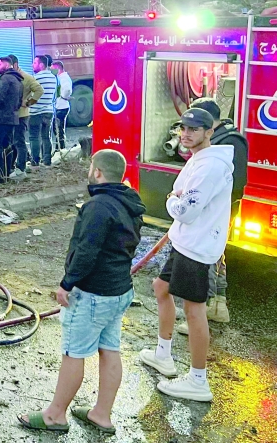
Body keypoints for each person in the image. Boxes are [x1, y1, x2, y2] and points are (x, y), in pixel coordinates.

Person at [18, 150, 144, 434]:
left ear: (98, 172)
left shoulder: (98, 206)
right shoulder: (130, 201)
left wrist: (67, 283)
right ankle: (101, 414)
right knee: (110, 349)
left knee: (73, 353)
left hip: (93, 294)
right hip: (119, 291)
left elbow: (87, 250)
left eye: (91, 167)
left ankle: (55, 416)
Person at [138, 107, 232, 402]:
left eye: (194, 129)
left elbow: (186, 210)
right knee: (160, 287)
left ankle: (198, 380)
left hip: (197, 245)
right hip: (186, 240)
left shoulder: (210, 166)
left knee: (194, 310)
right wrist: (177, 199)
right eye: (183, 128)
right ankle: (163, 355)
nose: (186, 134)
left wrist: (170, 202)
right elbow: (183, 195)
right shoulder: (200, 159)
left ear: (209, 132)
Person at [177, 99, 247, 329]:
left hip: (216, 213)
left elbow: (234, 183)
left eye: (194, 126)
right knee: (218, 257)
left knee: (209, 258)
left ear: (208, 124)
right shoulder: (223, 139)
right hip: (213, 211)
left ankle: (206, 308)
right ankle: (218, 306)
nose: (188, 132)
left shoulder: (229, 142)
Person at [0, 57, 23, 184]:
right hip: (11, 118)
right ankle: (7, 173)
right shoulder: (18, 79)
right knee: (7, 146)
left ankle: (0, 175)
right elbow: (20, 100)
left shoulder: (5, 78)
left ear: (7, 65)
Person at [9, 54, 42, 178]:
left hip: (22, 115)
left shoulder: (26, 77)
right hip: (11, 115)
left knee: (19, 141)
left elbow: (39, 90)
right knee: (12, 142)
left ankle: (21, 167)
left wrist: (28, 103)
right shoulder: (11, 77)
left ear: (15, 65)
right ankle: (12, 166)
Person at [29, 55, 57, 168]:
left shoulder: (35, 78)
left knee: (34, 136)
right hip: (49, 111)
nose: (32, 65)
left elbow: (31, 94)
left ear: (41, 65)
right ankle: (47, 160)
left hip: (36, 112)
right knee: (46, 136)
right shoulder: (53, 77)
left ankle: (35, 161)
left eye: (35, 63)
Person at [51, 60, 72, 151]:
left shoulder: (64, 78)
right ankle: (58, 148)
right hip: (59, 106)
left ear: (57, 69)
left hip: (62, 107)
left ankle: (61, 149)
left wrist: (63, 96)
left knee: (59, 130)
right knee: (57, 130)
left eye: (52, 69)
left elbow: (67, 90)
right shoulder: (60, 77)